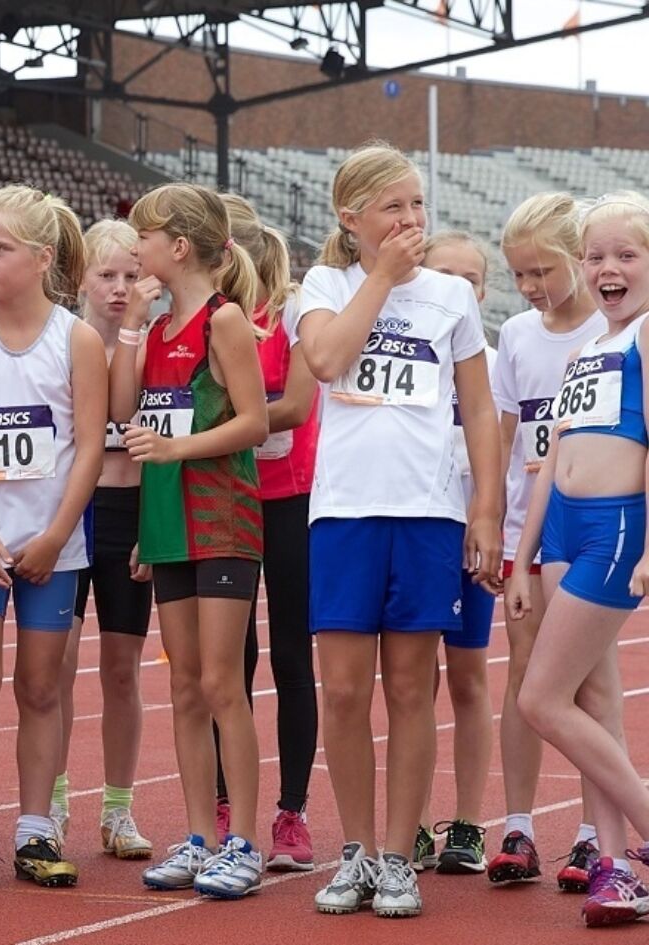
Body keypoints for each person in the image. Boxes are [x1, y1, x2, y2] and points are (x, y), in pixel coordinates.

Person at [293, 143, 501, 918]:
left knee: (413, 686)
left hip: (427, 512)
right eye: (393, 207)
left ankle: (399, 853)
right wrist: (379, 277)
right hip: (345, 511)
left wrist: (482, 508)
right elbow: (325, 358)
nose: (411, 219)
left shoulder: (453, 294)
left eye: (417, 204)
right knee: (344, 691)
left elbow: (477, 409)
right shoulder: (324, 284)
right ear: (351, 219)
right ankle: (355, 849)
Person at [0, 185, 101, 894]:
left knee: (39, 685)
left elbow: (90, 445)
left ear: (41, 257)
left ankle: (36, 830)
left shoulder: (77, 340)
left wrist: (56, 533)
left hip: (50, 547)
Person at [111, 183, 269, 900]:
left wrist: (181, 449)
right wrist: (131, 327)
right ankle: (200, 834)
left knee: (219, 682)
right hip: (167, 522)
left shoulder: (223, 320)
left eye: (142, 236)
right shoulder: (159, 326)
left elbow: (255, 422)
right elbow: (122, 411)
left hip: (223, 518)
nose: (132, 248)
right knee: (181, 684)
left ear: (177, 246)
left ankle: (246, 842)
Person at [508, 191, 649, 928]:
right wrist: (524, 556)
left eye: (626, 254)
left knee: (540, 699)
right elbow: (551, 454)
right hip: (560, 528)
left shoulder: (647, 335)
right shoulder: (588, 346)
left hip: (614, 528)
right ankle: (618, 869)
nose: (608, 267)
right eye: (596, 255)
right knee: (590, 701)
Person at [487, 193, 605, 890]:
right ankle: (519, 824)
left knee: (590, 678)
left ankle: (595, 831)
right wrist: (491, 520)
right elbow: (505, 436)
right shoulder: (517, 335)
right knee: (525, 673)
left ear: (577, 257)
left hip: (590, 526)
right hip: (524, 529)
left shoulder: (614, 330)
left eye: (543, 271)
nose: (531, 287)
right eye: (519, 275)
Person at [212, 194, 320, 872]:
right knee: (229, 661)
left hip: (291, 501)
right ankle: (227, 803)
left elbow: (296, 406)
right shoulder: (213, 322)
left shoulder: (292, 322)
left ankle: (292, 809)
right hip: (226, 499)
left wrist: (235, 421)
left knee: (289, 656)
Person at [67, 219, 154, 859]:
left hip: (128, 511)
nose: (120, 288)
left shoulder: (156, 344)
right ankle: (51, 800)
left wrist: (152, 528)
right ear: (81, 280)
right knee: (54, 667)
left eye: (131, 274)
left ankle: (118, 809)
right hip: (72, 511)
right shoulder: (59, 344)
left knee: (121, 670)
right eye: (107, 276)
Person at [413, 230, 498, 875]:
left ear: (483, 292)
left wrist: (484, 520)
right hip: (417, 529)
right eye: (446, 274)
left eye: (471, 280)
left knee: (468, 679)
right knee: (411, 682)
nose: (458, 288)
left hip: (469, 533)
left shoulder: (487, 363)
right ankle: (409, 825)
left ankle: (468, 825)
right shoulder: (405, 349)